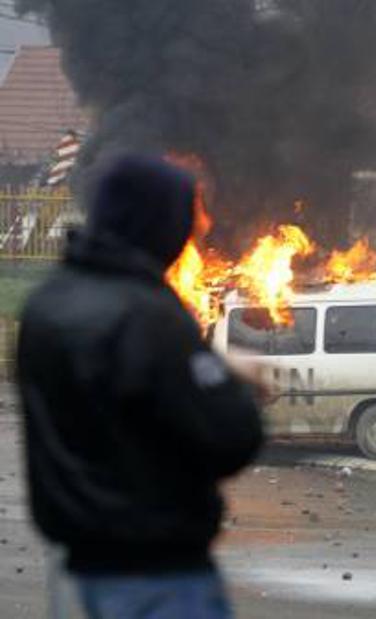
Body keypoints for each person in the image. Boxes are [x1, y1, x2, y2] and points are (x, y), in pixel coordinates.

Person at [16, 154, 266, 618]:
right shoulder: (152, 317)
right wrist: (228, 379)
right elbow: (233, 438)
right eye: (187, 217)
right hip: (159, 574)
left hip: (75, 566)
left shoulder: (46, 305)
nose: (199, 229)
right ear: (158, 223)